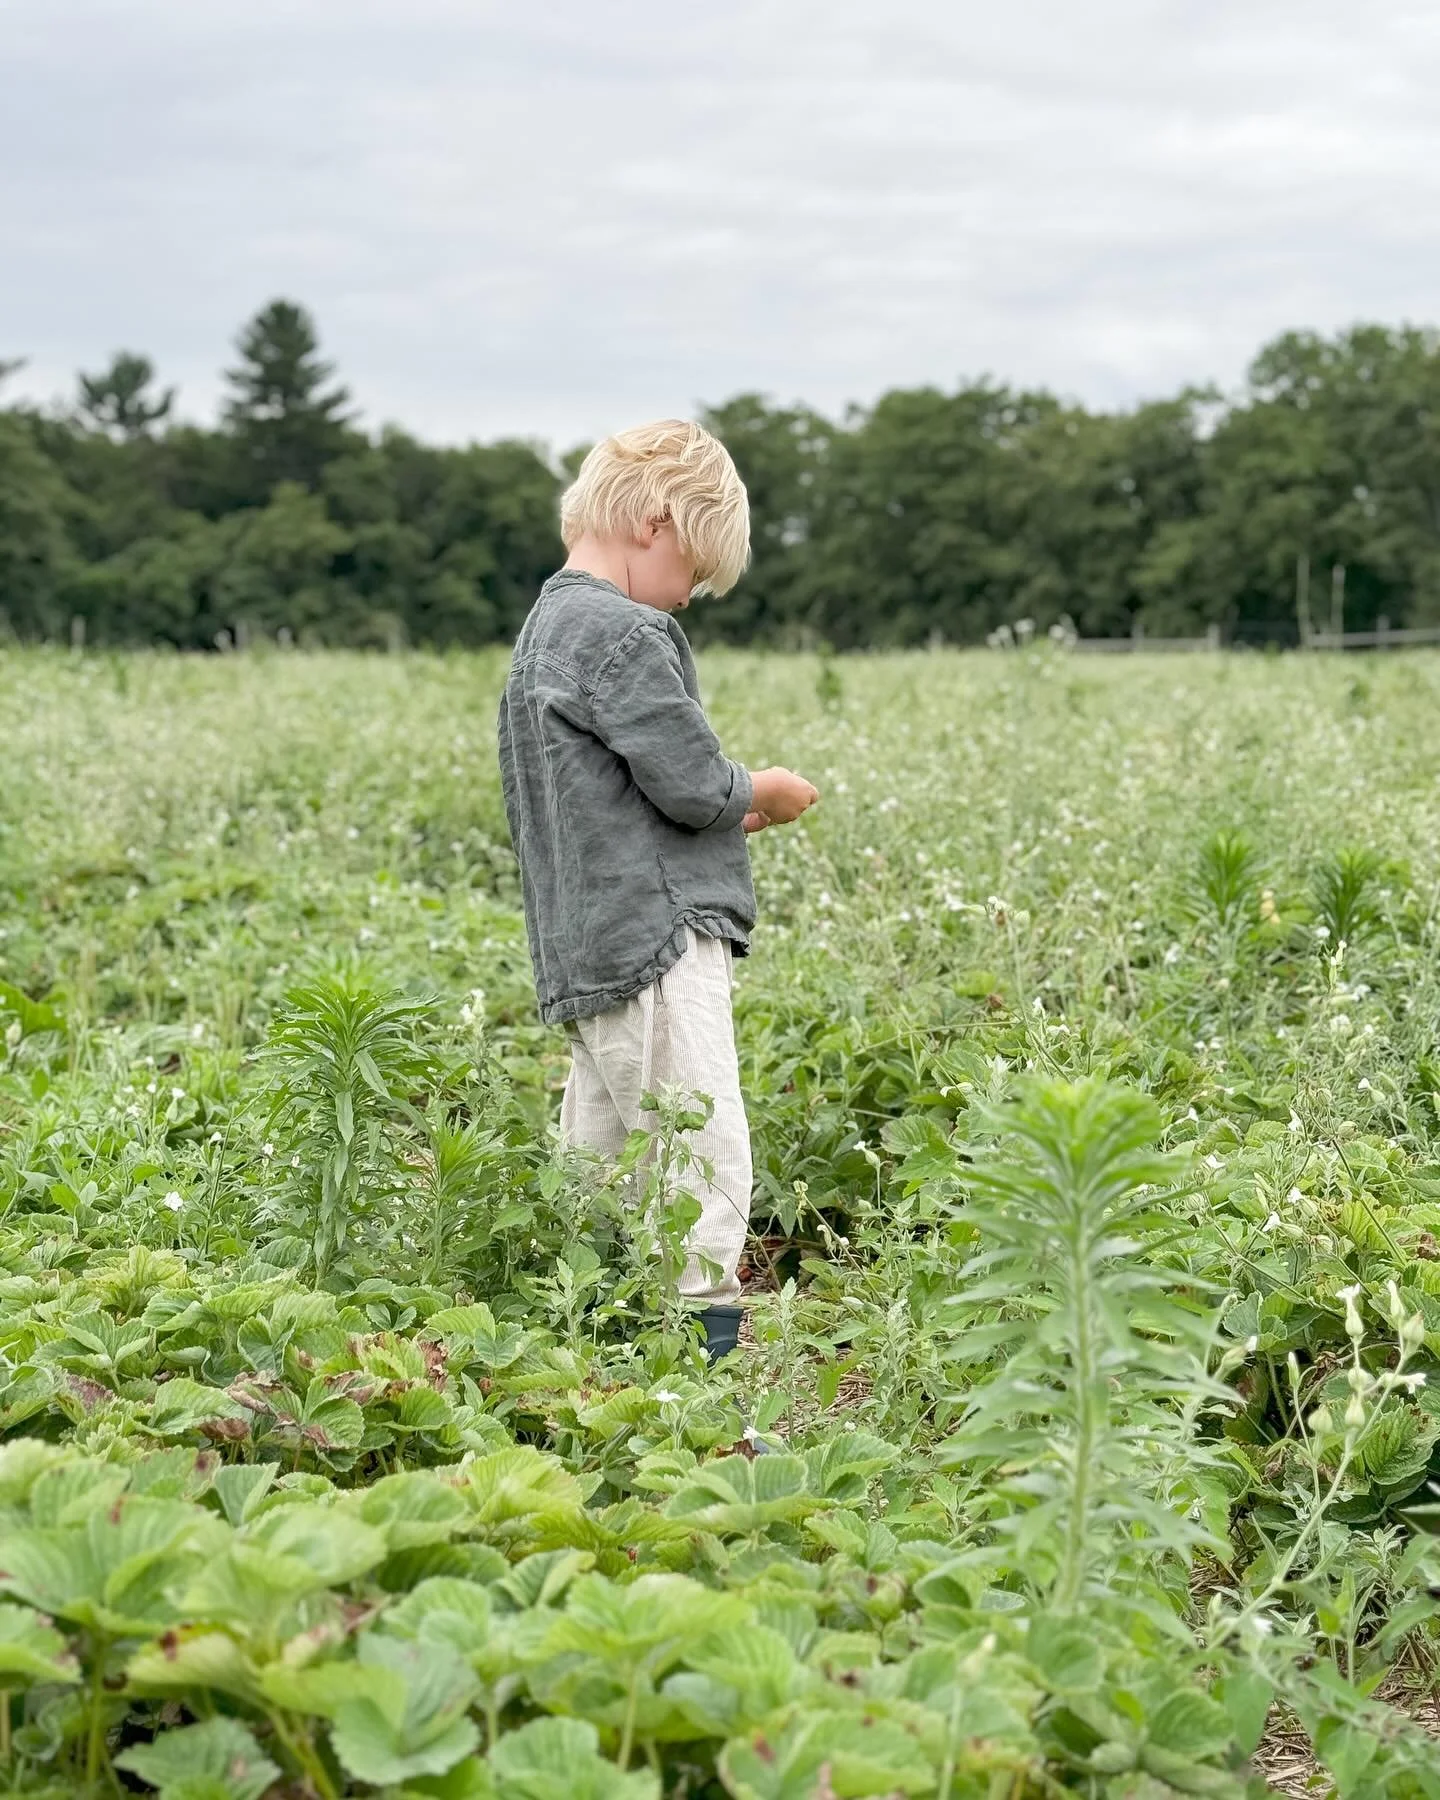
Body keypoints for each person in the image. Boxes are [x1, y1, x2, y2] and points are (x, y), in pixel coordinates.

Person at [497, 419, 819, 1362]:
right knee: (699, 1143)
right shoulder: (629, 631)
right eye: (694, 574)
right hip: (659, 941)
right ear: (655, 523)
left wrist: (724, 816)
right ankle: (704, 1358)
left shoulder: (544, 629)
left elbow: (616, 793)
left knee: (600, 1149)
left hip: (587, 942)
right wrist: (756, 792)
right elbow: (688, 779)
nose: (689, 599)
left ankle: (588, 1336)